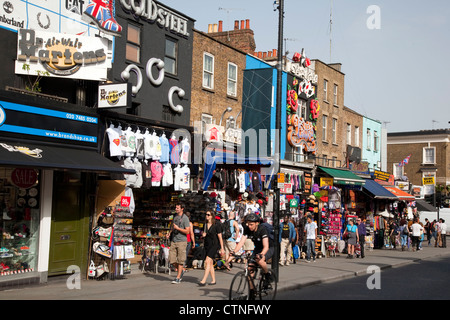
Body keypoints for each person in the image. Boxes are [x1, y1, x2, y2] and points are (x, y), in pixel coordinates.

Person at [227, 213, 274, 279]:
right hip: (258, 248)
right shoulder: (248, 230)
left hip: (268, 248)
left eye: (251, 224)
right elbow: (241, 242)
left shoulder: (262, 229)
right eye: (248, 224)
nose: (249, 226)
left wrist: (261, 254)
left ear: (257, 223)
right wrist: (234, 252)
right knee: (250, 268)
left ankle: (267, 274)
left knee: (260, 260)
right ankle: (252, 289)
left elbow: (266, 246)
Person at [198, 210, 224, 286]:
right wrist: (203, 235)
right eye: (206, 214)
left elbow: (220, 237)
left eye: (208, 215)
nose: (207, 216)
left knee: (207, 261)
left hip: (214, 245)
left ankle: (204, 280)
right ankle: (213, 280)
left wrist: (222, 248)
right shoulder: (205, 224)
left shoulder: (216, 224)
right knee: (210, 262)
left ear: (212, 216)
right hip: (207, 245)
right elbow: (203, 234)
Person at [169, 203, 191, 284]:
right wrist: (169, 233)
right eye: (176, 207)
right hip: (174, 240)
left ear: (182, 209)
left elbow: (187, 231)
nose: (176, 209)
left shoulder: (185, 218)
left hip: (182, 241)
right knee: (171, 259)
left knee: (180, 260)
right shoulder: (175, 216)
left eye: (177, 208)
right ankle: (180, 271)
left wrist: (178, 229)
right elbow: (173, 227)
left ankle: (178, 278)